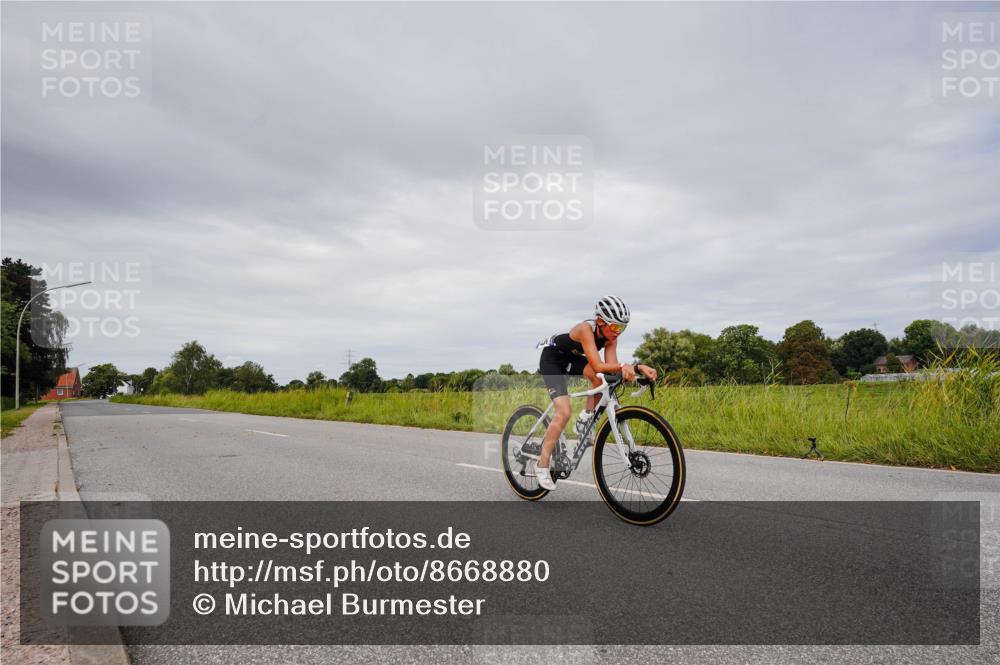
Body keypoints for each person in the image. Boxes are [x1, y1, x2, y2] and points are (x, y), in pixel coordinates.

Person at [535, 295, 657, 490]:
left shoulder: (610, 339)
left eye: (622, 328)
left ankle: (585, 418)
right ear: (600, 322)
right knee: (564, 412)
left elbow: (610, 369)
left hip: (572, 359)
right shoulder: (586, 330)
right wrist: (624, 366)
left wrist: (638, 368)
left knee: (601, 378)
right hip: (552, 360)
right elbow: (598, 364)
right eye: (616, 327)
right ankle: (542, 465)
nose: (618, 332)